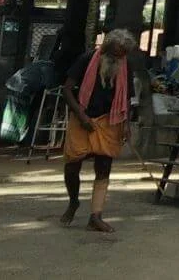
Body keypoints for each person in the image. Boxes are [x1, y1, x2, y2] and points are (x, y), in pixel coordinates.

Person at [59, 28, 136, 232]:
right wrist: (82, 117)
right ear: (106, 49)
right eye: (115, 54)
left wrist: (126, 125)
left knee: (104, 168)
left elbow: (127, 97)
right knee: (72, 164)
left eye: (122, 55)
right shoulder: (86, 59)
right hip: (83, 116)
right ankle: (73, 201)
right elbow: (67, 89)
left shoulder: (125, 66)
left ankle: (96, 215)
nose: (118, 58)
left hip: (110, 120)